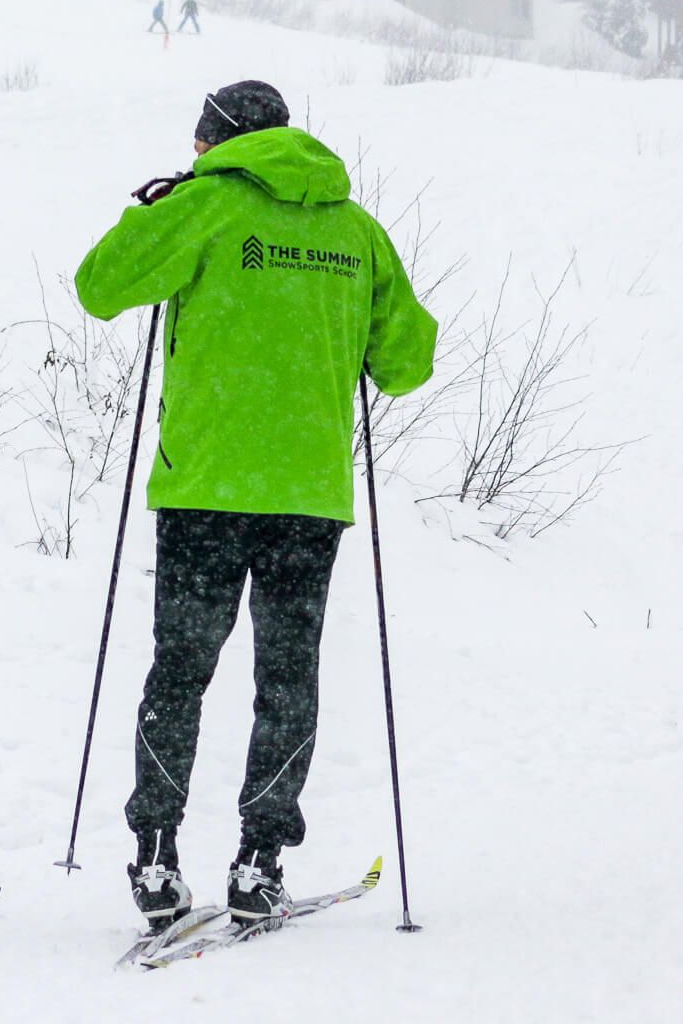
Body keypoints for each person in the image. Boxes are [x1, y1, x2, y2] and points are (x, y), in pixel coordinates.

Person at [73, 79, 437, 927]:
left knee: (181, 670)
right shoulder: (358, 230)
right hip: (308, 500)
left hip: (206, 491)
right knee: (286, 678)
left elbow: (99, 287)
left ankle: (158, 856)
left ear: (215, 141)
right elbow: (408, 365)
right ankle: (260, 859)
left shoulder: (203, 206)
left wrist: (159, 209)